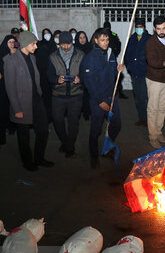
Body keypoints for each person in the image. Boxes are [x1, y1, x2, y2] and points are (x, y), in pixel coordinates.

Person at [4, 31, 53, 171]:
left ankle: (39, 158)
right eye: (34, 44)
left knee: (43, 131)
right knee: (24, 136)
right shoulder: (11, 61)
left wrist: (39, 94)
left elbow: (35, 79)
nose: (36, 46)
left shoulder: (32, 58)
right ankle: (27, 162)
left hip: (37, 101)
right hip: (21, 104)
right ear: (25, 44)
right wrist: (17, 108)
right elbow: (10, 87)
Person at [80, 28, 125, 169]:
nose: (105, 43)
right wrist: (100, 101)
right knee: (96, 129)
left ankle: (107, 147)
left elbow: (112, 72)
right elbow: (89, 82)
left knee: (116, 124)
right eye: (102, 40)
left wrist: (118, 70)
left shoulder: (111, 53)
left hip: (111, 97)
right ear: (96, 40)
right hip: (97, 99)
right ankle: (94, 156)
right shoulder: (89, 58)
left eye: (107, 40)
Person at [47, 31, 85, 157]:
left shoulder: (81, 54)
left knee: (73, 122)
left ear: (72, 42)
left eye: (68, 44)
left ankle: (70, 148)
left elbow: (86, 73)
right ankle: (66, 142)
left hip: (76, 94)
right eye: (63, 44)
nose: (66, 47)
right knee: (57, 121)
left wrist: (81, 78)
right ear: (59, 43)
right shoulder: (53, 56)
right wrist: (56, 79)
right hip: (58, 94)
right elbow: (49, 74)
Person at [145, 16, 165, 149]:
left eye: (164, 28)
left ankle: (158, 132)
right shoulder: (150, 42)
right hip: (154, 79)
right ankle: (152, 137)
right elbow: (151, 60)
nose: (161, 31)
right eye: (158, 29)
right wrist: (163, 63)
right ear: (154, 29)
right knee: (153, 109)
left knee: (162, 108)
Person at [124, 18, 151, 126]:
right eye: (137, 27)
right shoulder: (132, 39)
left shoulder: (149, 39)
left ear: (144, 27)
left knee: (145, 97)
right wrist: (129, 67)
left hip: (145, 73)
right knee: (138, 97)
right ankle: (142, 118)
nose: (139, 29)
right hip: (135, 73)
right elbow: (127, 55)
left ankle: (149, 119)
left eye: (141, 27)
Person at [103, 21, 126, 99]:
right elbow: (119, 44)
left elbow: (118, 45)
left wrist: (115, 54)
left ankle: (117, 92)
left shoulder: (113, 35)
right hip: (106, 58)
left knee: (116, 75)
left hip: (111, 58)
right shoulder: (105, 35)